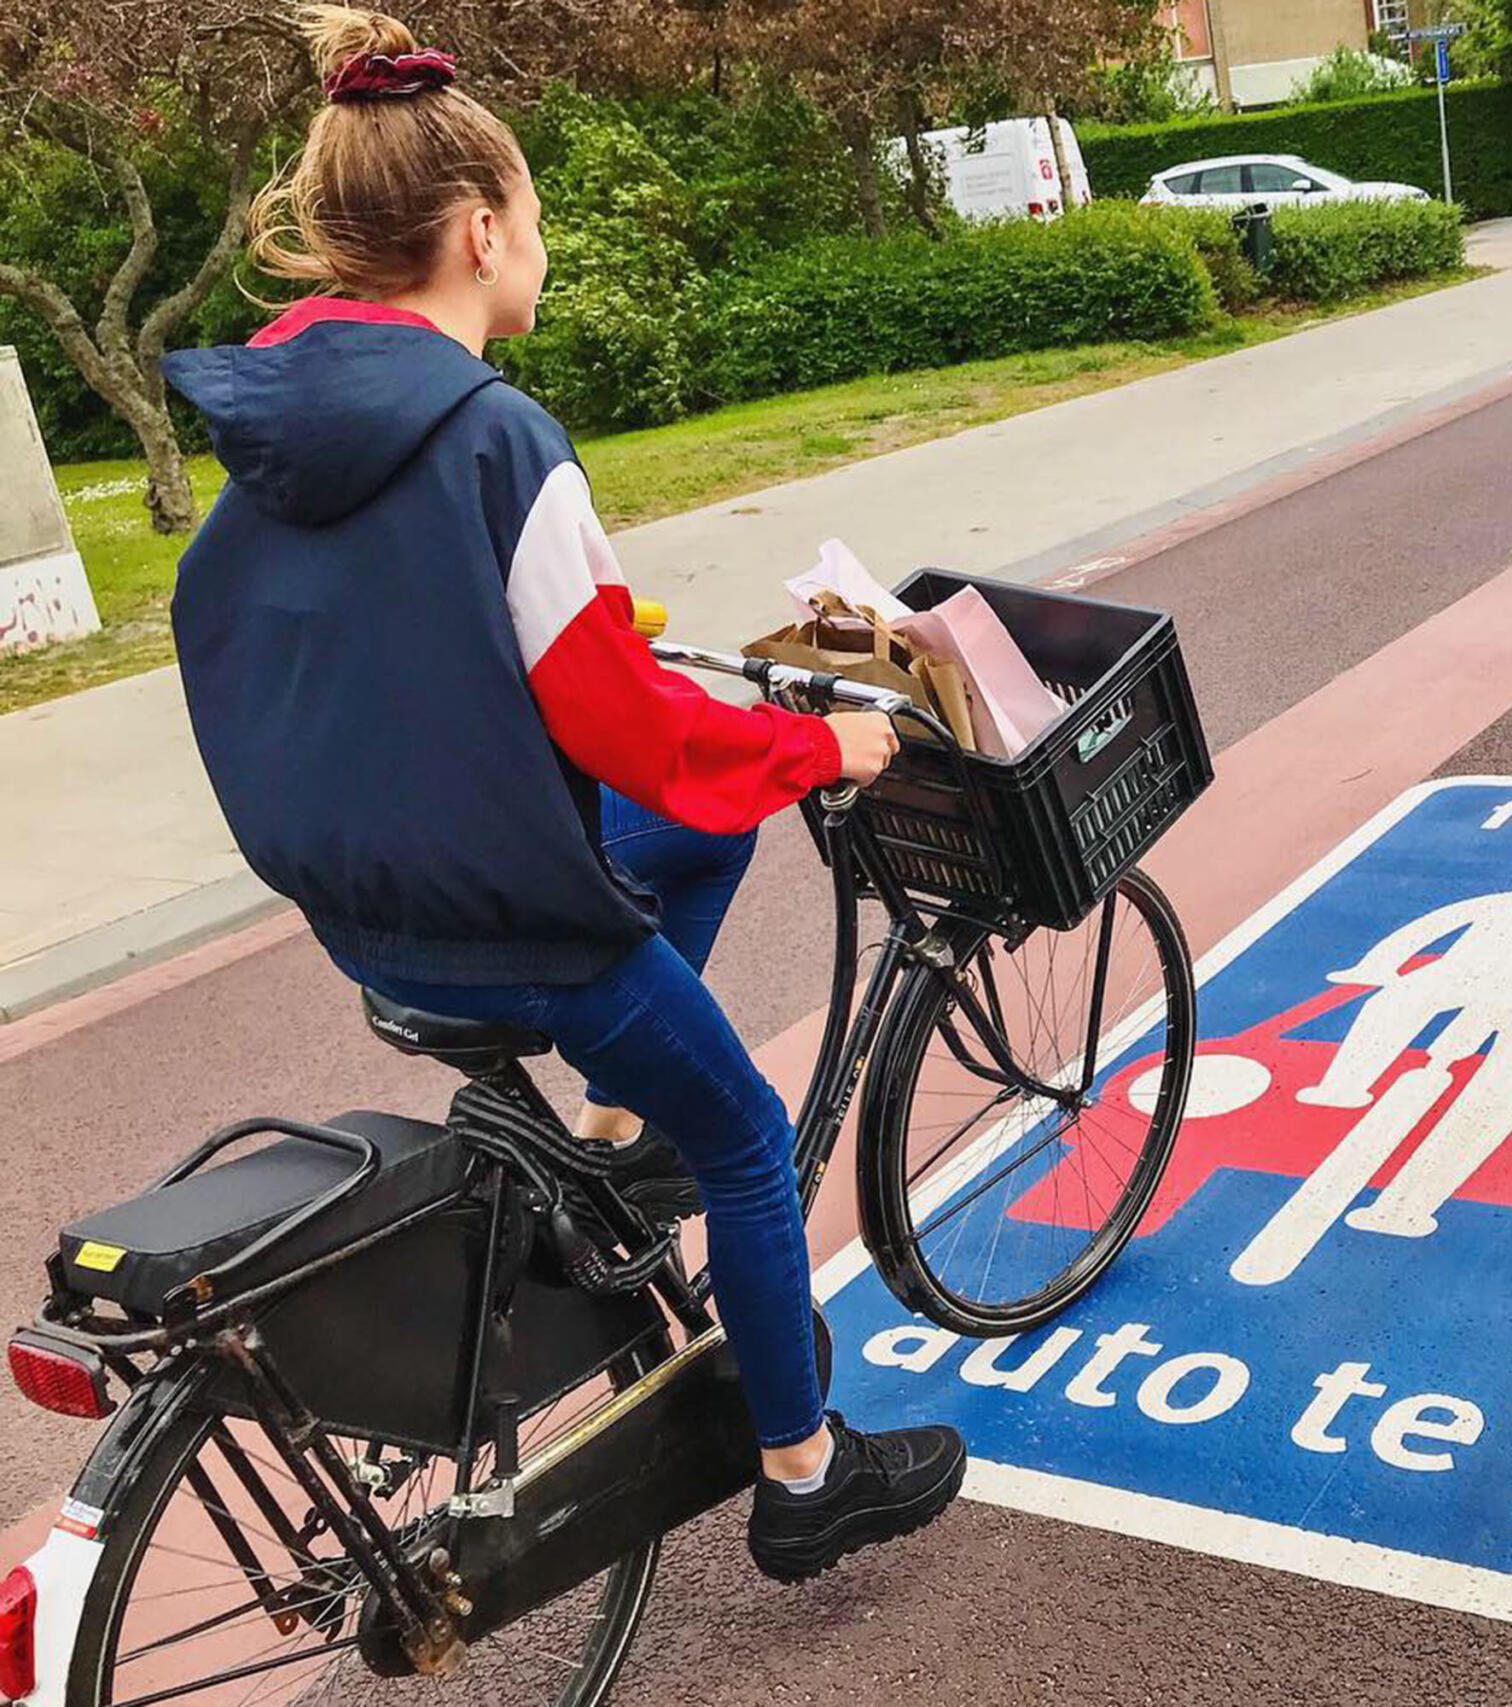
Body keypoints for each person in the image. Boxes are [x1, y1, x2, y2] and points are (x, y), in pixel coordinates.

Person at [161, 5, 965, 1584]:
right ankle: (806, 1475)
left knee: (697, 826)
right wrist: (825, 746)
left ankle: (603, 1123)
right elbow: (635, 736)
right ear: (477, 232)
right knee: (740, 1137)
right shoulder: (499, 440)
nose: (539, 245)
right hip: (513, 923)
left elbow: (399, 641)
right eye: (533, 221)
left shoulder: (274, 428)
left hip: (368, 909)